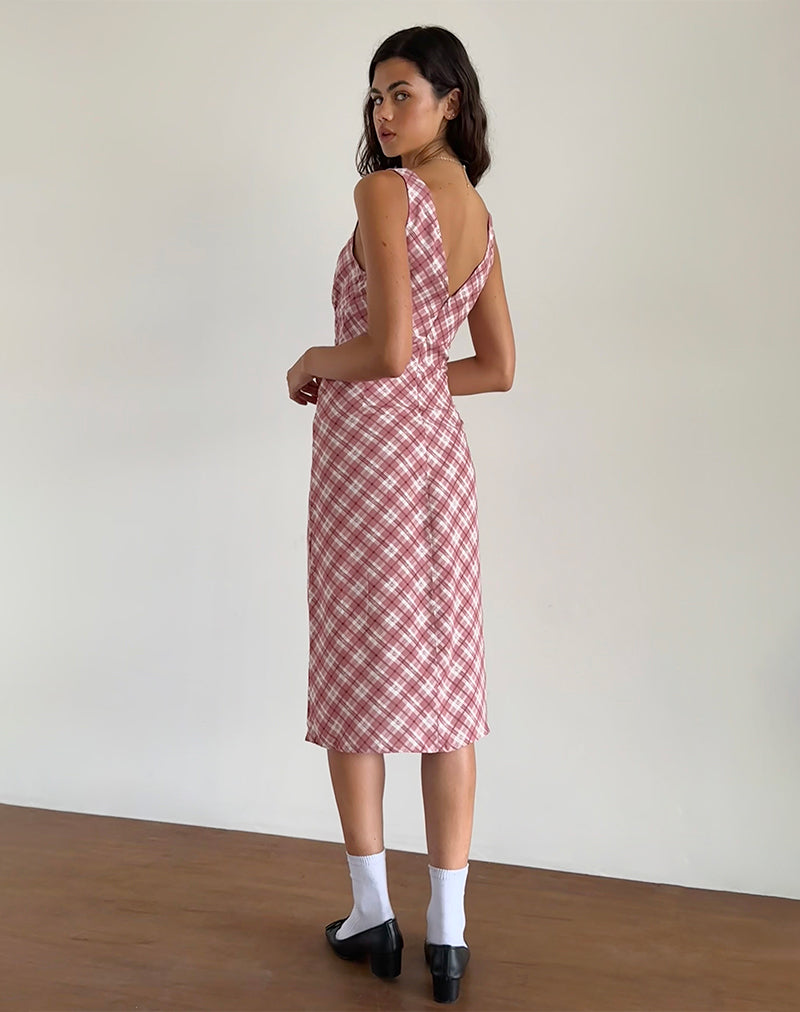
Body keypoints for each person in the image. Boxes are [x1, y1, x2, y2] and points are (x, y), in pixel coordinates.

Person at [286, 25, 515, 1005]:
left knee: (357, 669)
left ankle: (373, 913)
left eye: (402, 93)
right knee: (443, 681)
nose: (383, 113)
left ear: (449, 102)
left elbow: (382, 350)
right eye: (375, 96)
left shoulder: (385, 193)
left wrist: (312, 361)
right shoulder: (479, 217)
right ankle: (448, 935)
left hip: (368, 463)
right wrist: (417, 376)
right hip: (437, 466)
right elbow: (493, 368)